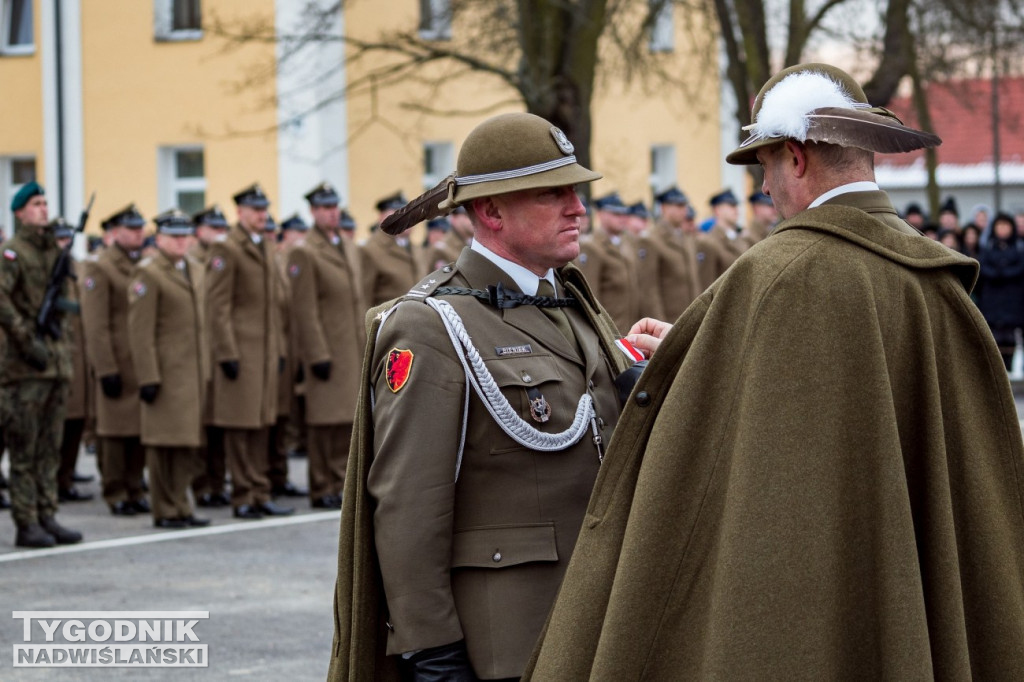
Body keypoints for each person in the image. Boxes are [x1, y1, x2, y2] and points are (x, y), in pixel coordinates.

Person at [526, 63, 1024, 679]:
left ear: (795, 157)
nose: (764, 189)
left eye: (765, 168)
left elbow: (730, 444)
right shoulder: (935, 281)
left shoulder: (780, 274)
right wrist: (692, 349)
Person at [328, 112, 638, 681]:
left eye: (577, 190)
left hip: (597, 623)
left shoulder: (572, 305)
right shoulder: (432, 325)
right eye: (554, 193)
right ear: (491, 211)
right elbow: (407, 507)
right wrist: (432, 652)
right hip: (507, 640)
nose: (578, 208)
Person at [0, 182, 83, 547]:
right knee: (25, 450)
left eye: (46, 203)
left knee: (51, 448)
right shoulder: (12, 254)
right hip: (25, 367)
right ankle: (26, 521)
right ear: (19, 212)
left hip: (55, 364)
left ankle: (48, 514)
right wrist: (26, 340)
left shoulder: (53, 251)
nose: (43, 209)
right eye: (36, 204)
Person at [206, 183, 293, 520]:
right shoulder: (227, 249)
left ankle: (260, 491)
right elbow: (218, 307)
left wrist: (280, 349)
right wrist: (226, 352)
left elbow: (275, 307)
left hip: (265, 352)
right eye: (255, 210)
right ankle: (243, 495)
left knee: (262, 425)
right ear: (240, 211)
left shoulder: (265, 247)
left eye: (264, 208)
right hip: (240, 353)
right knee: (241, 427)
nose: (262, 215)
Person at [127, 209, 210, 529]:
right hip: (164, 373)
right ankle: (165, 509)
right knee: (163, 445)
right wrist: (148, 376)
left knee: (187, 443)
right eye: (174, 237)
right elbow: (140, 331)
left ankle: (181, 505)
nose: (180, 242)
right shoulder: (148, 273)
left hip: (191, 372)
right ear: (159, 238)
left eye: (185, 236)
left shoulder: (195, 268)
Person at [287, 181, 365, 510]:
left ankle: (340, 483)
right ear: (313, 212)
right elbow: (304, 309)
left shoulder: (347, 246)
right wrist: (316, 353)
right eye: (324, 208)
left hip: (351, 346)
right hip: (327, 349)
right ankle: (321, 486)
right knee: (324, 423)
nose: (331, 213)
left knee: (347, 419)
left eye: (334, 206)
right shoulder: (304, 251)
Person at [81, 203, 150, 517]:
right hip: (116, 361)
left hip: (140, 361)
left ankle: (135, 487)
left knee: (138, 432)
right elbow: (96, 325)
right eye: (132, 229)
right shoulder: (101, 267)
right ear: (114, 233)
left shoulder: (144, 264)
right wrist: (105, 367)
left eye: (140, 228)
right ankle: (116, 490)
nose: (139, 234)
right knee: (113, 434)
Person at [189, 205, 230, 508]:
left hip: (220, 351)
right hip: (200, 351)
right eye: (211, 227)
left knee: (219, 426)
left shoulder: (221, 259)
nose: (218, 233)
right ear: (198, 230)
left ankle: (217, 483)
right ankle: (200, 484)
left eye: (221, 227)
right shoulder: (190, 261)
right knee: (201, 425)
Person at [52, 218, 93, 503]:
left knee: (76, 422)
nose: (65, 243)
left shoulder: (77, 267)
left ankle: (66, 478)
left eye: (68, 238)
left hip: (80, 356)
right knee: (56, 426)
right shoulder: (47, 270)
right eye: (60, 238)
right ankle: (52, 481)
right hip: (56, 355)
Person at [577, 191, 641, 333]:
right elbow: (590, 296)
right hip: (609, 333)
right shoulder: (592, 247)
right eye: (616, 214)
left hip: (629, 330)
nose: (622, 218)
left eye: (624, 214)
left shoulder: (626, 243)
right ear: (601, 215)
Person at [977, 212, 1024, 370]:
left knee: (1011, 342)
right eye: (1000, 226)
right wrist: (999, 272)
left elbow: (1020, 269)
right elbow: (982, 269)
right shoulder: (988, 248)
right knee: (993, 344)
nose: (1003, 229)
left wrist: (1004, 272)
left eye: (1006, 225)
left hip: (1013, 305)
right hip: (992, 305)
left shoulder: (1019, 248)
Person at [648, 186, 701, 320]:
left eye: (684, 205)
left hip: (690, 318)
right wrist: (659, 322)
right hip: (670, 321)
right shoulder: (653, 239)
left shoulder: (686, 238)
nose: (684, 210)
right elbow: (650, 290)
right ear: (664, 208)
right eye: (678, 206)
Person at [360, 191, 419, 307]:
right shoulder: (371, 250)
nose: (406, 217)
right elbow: (364, 298)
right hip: (388, 321)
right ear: (381, 217)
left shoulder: (417, 250)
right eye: (397, 212)